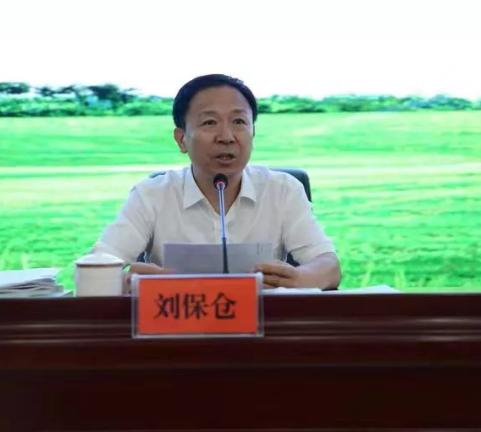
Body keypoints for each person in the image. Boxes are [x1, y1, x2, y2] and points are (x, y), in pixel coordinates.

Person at [92, 74, 341, 290]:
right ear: (181, 139)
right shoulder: (152, 195)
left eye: (239, 122)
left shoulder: (283, 190)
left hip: (262, 328)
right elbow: (97, 266)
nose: (227, 137)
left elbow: (328, 265)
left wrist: (300, 278)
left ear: (252, 132)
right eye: (209, 122)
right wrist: (126, 283)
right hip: (177, 327)